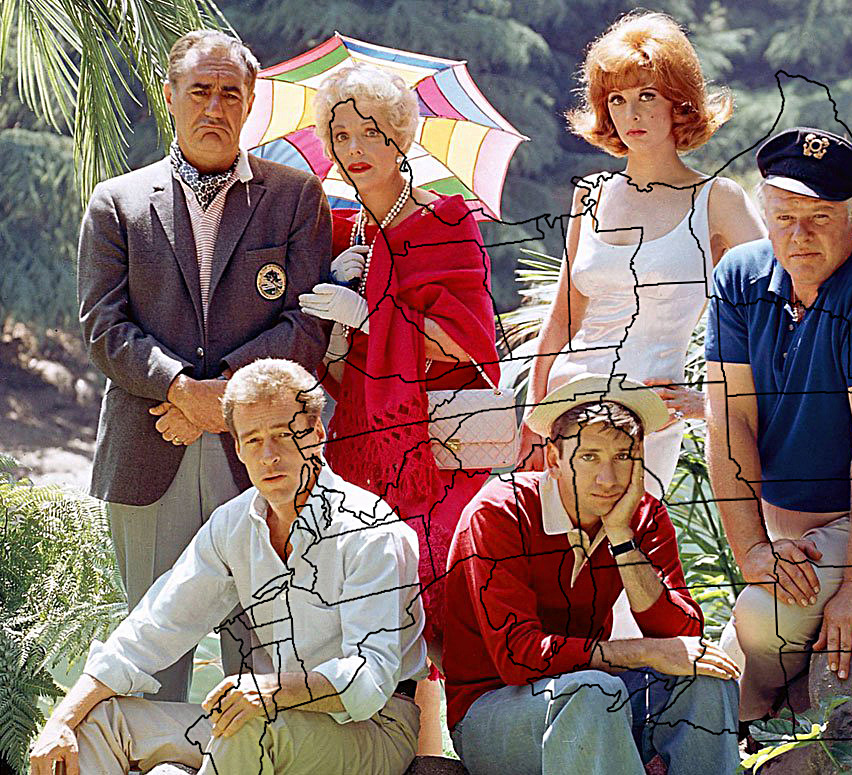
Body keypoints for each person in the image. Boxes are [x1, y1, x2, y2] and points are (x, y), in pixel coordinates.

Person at [77, 30, 332, 703]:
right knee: (148, 659)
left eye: (230, 94)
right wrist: (183, 389)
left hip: (262, 452)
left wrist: (225, 401)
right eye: (199, 91)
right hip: (149, 445)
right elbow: (102, 326)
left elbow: (308, 323)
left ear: (251, 104)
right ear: (169, 97)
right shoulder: (117, 203)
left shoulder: (296, 198)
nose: (214, 107)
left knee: (265, 656)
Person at [28, 359, 426, 775]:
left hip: (373, 727)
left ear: (316, 433)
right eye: (253, 440)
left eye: (283, 435)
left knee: (246, 729)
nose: (269, 456)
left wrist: (270, 692)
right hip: (272, 720)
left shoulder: (370, 531)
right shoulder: (233, 524)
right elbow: (150, 630)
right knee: (100, 725)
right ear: (237, 449)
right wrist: (62, 720)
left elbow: (371, 679)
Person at [296, 62, 500, 755]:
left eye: (371, 132)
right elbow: (328, 368)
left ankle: (455, 744)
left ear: (401, 137)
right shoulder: (339, 232)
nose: (354, 147)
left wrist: (373, 309)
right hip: (357, 441)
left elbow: (467, 346)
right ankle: (377, 743)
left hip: (436, 446)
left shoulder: (446, 221)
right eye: (340, 132)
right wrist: (336, 316)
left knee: (436, 575)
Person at [705, 128, 852, 722]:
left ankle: (754, 717)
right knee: (758, 610)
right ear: (764, 211)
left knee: (765, 620)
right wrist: (752, 547)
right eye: (784, 216)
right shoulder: (739, 276)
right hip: (786, 520)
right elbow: (729, 419)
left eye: (818, 217)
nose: (798, 234)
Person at [443, 374, 742, 775]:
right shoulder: (499, 512)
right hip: (494, 713)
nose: (609, 479)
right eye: (589, 457)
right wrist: (642, 652)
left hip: (594, 699)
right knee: (594, 689)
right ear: (553, 459)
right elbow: (519, 657)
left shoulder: (643, 514)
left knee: (707, 676)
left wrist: (621, 537)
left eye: (623, 457)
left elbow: (681, 634)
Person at [525, 11, 765, 498]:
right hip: (566, 408)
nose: (630, 113)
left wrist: (712, 402)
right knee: (555, 563)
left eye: (646, 96)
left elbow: (786, 308)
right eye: (617, 99)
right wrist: (534, 420)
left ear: (680, 104)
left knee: (630, 556)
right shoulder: (590, 193)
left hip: (649, 416)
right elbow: (563, 318)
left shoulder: (718, 200)